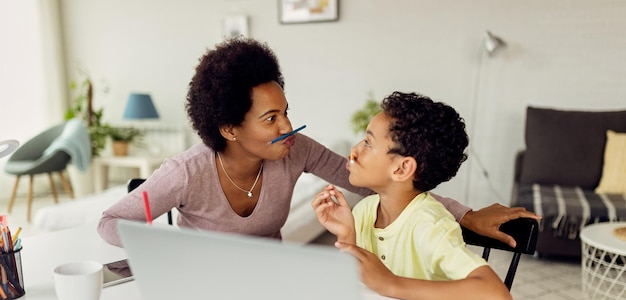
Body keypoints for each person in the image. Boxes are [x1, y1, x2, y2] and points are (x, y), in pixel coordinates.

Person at [97, 37, 537, 248]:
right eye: (271, 118)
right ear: (229, 129)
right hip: (208, 286)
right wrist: (175, 255)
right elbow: (111, 223)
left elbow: (375, 185)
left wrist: (467, 213)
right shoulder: (185, 174)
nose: (288, 125)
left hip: (274, 283)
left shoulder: (295, 151)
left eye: (286, 110)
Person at [312, 92, 513, 300]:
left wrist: (391, 283)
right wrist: (346, 237)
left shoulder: (430, 224)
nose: (355, 151)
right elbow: (355, 290)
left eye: (368, 143)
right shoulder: (365, 210)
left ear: (401, 169)